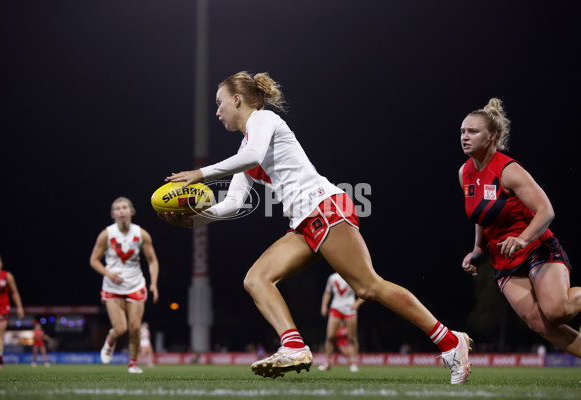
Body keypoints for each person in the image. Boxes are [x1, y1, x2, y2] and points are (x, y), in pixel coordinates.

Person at [160, 71, 471, 384]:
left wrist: (201, 173)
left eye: (220, 103)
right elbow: (235, 201)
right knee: (256, 279)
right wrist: (194, 221)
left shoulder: (262, 120)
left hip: (325, 207)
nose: (217, 111)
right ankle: (294, 347)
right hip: (303, 222)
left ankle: (450, 342)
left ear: (237, 100)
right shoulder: (246, 147)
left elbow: (254, 156)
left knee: (368, 287)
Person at [459, 98, 581, 357]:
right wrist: (477, 250)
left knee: (558, 311)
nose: (464, 137)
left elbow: (546, 210)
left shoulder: (508, 170)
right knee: (541, 324)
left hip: (536, 248)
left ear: (492, 136)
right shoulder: (465, 172)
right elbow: (481, 214)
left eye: (472, 131)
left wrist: (523, 239)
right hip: (504, 261)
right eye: (462, 131)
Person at [89, 197, 160, 374]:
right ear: (114, 214)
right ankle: (111, 339)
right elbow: (94, 260)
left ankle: (133, 364)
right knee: (120, 328)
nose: (121, 211)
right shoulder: (107, 234)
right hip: (112, 287)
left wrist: (154, 283)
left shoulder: (141, 234)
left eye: (124, 208)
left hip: (136, 284)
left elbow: (152, 261)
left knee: (135, 327)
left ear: (131, 212)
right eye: (118, 209)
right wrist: (108, 273)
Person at [319, 272, 364, 372]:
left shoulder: (353, 276)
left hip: (350, 309)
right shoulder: (332, 277)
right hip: (335, 308)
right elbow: (327, 292)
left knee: (352, 338)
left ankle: (353, 363)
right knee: (330, 336)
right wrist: (324, 306)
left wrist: (357, 304)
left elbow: (365, 291)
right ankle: (328, 362)